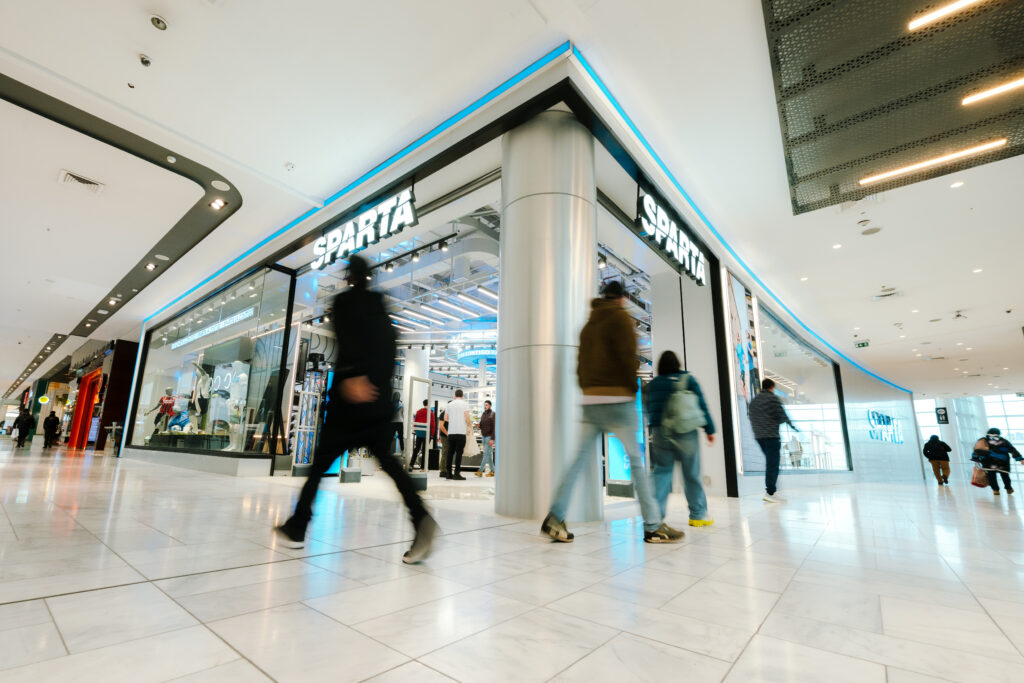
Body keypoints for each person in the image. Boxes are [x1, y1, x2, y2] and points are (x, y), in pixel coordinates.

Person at [275, 255, 437, 564]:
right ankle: (421, 518)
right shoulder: (380, 306)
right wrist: (377, 381)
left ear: (350, 277)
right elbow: (389, 345)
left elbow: (349, 343)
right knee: (389, 463)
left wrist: (355, 376)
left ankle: (297, 527)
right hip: (376, 402)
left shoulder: (345, 303)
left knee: (320, 464)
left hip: (349, 404)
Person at [542, 281, 683, 544]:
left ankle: (555, 517)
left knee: (577, 461)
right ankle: (653, 525)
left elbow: (580, 365)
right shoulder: (621, 318)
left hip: (591, 401)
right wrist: (631, 389)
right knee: (637, 464)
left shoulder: (587, 326)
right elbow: (628, 357)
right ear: (621, 298)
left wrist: (588, 390)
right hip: (619, 400)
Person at [645, 351, 715, 526]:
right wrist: (709, 429)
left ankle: (655, 517)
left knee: (661, 472)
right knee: (691, 474)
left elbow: (648, 409)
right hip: (686, 432)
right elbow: (702, 405)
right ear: (677, 364)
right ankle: (698, 515)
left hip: (660, 432)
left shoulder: (653, 384)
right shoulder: (688, 380)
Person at [748, 378, 797, 503]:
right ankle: (770, 492)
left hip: (759, 437)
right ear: (772, 387)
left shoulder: (754, 401)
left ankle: (771, 491)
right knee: (773, 465)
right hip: (771, 436)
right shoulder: (772, 399)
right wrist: (792, 426)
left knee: (771, 464)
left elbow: (751, 416)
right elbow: (782, 415)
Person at [972, 428, 1022, 496]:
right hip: (1002, 462)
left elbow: (977, 450)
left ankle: (995, 490)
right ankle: (1009, 488)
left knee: (991, 477)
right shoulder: (1004, 441)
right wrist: (1020, 459)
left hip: (988, 462)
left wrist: (976, 459)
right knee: (1005, 476)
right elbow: (1012, 450)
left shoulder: (983, 441)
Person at [444, 390, 470, 480]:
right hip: (461, 432)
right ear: (462, 396)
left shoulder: (449, 404)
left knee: (450, 453)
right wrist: (468, 425)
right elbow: (467, 417)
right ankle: (456, 474)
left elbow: (445, 418)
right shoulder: (465, 404)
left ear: (455, 395)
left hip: (451, 432)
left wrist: (453, 420)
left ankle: (448, 473)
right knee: (459, 453)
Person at [408, 399, 435, 471]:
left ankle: (411, 465)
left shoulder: (418, 412)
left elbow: (415, 422)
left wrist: (415, 430)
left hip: (419, 433)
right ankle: (423, 467)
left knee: (416, 449)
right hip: (427, 433)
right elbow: (432, 424)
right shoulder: (431, 413)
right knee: (424, 450)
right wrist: (432, 434)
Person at [476, 400, 496, 477]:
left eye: (486, 405)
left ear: (490, 406)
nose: (485, 406)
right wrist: (479, 425)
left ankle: (480, 470)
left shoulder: (493, 414)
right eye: (484, 405)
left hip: (489, 437)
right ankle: (493, 471)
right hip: (483, 436)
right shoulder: (483, 414)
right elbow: (482, 425)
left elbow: (495, 427)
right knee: (488, 454)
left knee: (485, 454)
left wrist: (492, 439)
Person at [390, 391, 405, 457]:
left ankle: (388, 452)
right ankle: (402, 451)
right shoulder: (401, 405)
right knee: (400, 437)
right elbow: (402, 414)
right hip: (399, 422)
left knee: (390, 438)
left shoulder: (391, 404)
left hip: (393, 423)